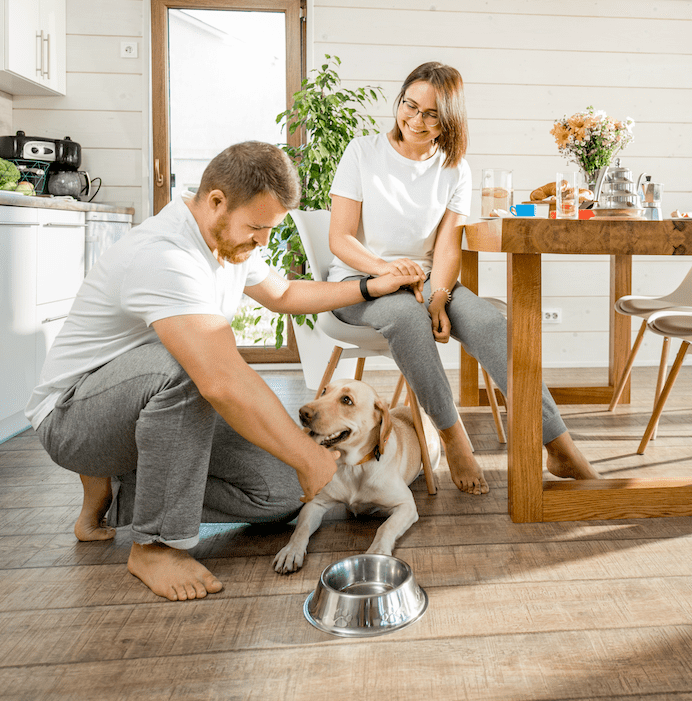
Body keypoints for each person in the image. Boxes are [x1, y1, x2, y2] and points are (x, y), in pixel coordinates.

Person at [24, 140, 423, 602]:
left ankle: (120, 497)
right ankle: (155, 544)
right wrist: (308, 453)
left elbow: (286, 295)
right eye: (257, 227)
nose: (262, 241)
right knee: (195, 367)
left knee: (282, 493)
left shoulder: (228, 243)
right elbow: (219, 380)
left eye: (269, 229)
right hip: (74, 419)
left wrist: (373, 284)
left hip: (146, 415)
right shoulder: (165, 255)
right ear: (216, 201)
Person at [328, 61, 599, 494]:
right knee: (404, 316)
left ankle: (560, 445)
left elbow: (448, 245)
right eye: (409, 106)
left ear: (449, 120)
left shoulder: (455, 167)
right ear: (399, 101)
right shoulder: (362, 152)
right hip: (360, 282)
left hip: (426, 282)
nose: (416, 120)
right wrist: (387, 270)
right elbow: (340, 238)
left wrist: (438, 297)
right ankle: (454, 437)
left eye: (431, 114)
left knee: (493, 324)